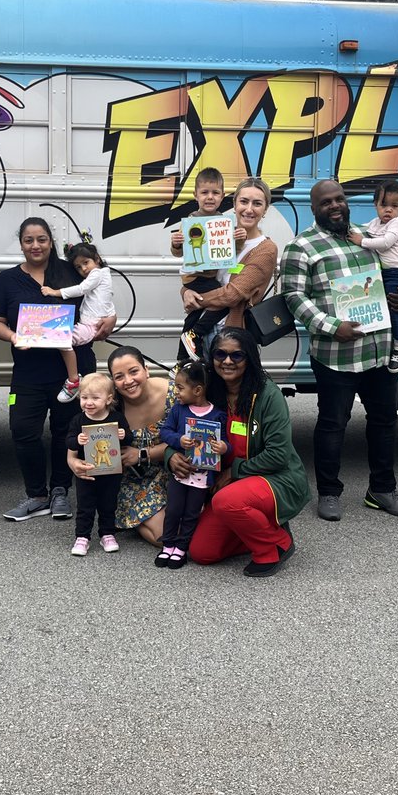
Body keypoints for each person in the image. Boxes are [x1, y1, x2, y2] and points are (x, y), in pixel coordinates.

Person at [281, 179, 398, 522]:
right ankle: (329, 492)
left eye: (339, 199)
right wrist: (331, 327)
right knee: (332, 424)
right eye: (326, 202)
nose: (335, 205)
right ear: (315, 209)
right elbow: (294, 298)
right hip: (335, 355)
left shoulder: (367, 236)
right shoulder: (302, 247)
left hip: (378, 349)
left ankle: (382, 490)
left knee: (385, 422)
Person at [0, 217, 111, 522]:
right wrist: (14, 336)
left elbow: (101, 299)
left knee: (65, 432)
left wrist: (110, 320)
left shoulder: (70, 270)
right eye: (29, 240)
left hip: (72, 369)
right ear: (21, 244)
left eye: (41, 239)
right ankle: (36, 495)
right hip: (29, 371)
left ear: (50, 241)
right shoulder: (6, 280)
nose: (36, 246)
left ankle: (59, 491)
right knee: (22, 430)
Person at [181, 328, 309, 578]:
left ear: (249, 358)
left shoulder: (267, 394)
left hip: (276, 477)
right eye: (220, 354)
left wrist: (233, 471)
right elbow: (178, 425)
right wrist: (171, 456)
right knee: (202, 552)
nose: (227, 361)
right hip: (229, 485)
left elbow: (278, 455)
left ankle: (274, 545)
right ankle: (260, 523)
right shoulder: (208, 392)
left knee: (227, 501)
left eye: (237, 356)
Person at [179, 177, 279, 356]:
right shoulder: (220, 235)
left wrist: (196, 299)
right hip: (201, 326)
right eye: (243, 201)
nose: (249, 209)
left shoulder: (265, 249)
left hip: (231, 336)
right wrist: (186, 292)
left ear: (265, 210)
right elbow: (200, 274)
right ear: (234, 204)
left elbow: (233, 295)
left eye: (257, 203)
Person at [156, 360, 227, 569]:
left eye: (180, 387)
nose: (175, 392)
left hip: (202, 476)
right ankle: (168, 544)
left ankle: (182, 547)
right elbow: (165, 431)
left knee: (191, 512)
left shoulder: (217, 415)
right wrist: (179, 440)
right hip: (180, 472)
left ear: (197, 390)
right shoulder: (179, 410)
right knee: (174, 509)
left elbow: (226, 443)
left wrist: (223, 448)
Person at [108, 345, 175, 545]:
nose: (128, 381)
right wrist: (73, 460)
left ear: (146, 370)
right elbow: (81, 436)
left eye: (133, 371)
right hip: (136, 480)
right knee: (166, 539)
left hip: (176, 469)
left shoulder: (173, 394)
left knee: (197, 530)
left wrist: (142, 454)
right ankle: (135, 517)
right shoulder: (111, 405)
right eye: (119, 376)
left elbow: (191, 441)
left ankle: (133, 518)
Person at [348, 180, 398, 372]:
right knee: (382, 305)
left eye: (394, 206)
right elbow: (361, 229)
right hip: (388, 272)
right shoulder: (377, 223)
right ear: (375, 205)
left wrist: (361, 242)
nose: (388, 210)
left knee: (393, 306)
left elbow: (385, 243)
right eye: (383, 205)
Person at [64, 373, 131, 556]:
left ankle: (107, 534)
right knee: (85, 506)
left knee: (108, 504)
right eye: (84, 397)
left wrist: (124, 435)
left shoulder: (117, 418)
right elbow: (69, 442)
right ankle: (82, 537)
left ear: (109, 399)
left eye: (95, 398)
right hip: (88, 471)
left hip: (111, 473)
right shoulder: (78, 420)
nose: (89, 403)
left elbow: (128, 440)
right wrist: (77, 439)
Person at [41, 242, 116, 403]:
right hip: (89, 324)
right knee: (62, 339)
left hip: (90, 326)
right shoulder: (104, 275)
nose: (83, 269)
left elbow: (81, 289)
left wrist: (54, 292)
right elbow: (107, 301)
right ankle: (74, 379)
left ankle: (74, 380)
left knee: (61, 339)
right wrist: (111, 315)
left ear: (97, 259)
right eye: (78, 267)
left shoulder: (97, 274)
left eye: (86, 262)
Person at [170, 167, 228, 362]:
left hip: (206, 276)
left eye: (215, 193)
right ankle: (195, 334)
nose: (210, 197)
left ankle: (182, 356)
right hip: (197, 277)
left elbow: (229, 251)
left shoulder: (223, 222)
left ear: (223, 196)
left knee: (194, 315)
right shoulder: (190, 221)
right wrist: (176, 243)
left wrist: (237, 238)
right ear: (196, 195)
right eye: (204, 192)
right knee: (224, 301)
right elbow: (178, 253)